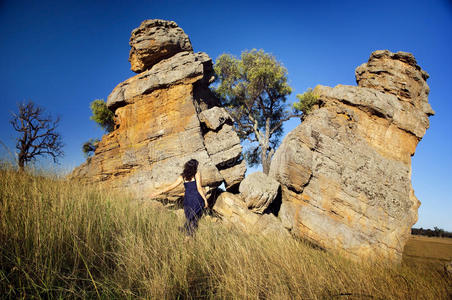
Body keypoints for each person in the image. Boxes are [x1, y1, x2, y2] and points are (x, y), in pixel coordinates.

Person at [149, 159, 208, 236]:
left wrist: (158, 192)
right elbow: (199, 188)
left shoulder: (182, 177)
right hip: (197, 198)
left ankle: (187, 234)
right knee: (194, 219)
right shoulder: (197, 173)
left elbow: (171, 187)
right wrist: (205, 200)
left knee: (190, 218)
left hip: (188, 200)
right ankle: (187, 236)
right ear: (195, 167)